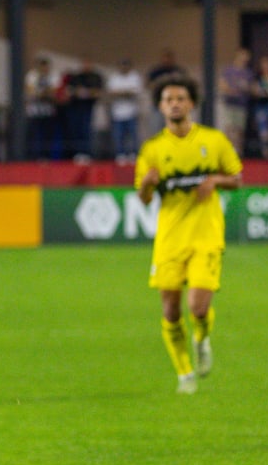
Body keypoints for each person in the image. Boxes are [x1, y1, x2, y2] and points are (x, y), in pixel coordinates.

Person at [135, 77, 242, 394]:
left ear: (191, 103)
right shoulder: (153, 149)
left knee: (197, 306)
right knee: (169, 310)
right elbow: (142, 198)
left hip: (206, 234)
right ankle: (184, 374)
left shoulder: (214, 140)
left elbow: (237, 178)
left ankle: (202, 337)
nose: (175, 104)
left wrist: (216, 181)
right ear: (160, 106)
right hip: (170, 237)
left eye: (181, 98)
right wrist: (147, 183)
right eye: (169, 99)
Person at [64, 57, 104, 161]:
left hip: (90, 107)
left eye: (88, 63)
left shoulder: (95, 77)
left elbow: (97, 92)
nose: (86, 66)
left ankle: (87, 152)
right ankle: (78, 152)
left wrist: (86, 93)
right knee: (77, 130)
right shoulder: (76, 77)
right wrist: (79, 92)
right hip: (76, 108)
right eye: (84, 63)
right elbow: (70, 91)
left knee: (87, 130)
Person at [105, 58, 143, 163]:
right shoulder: (114, 78)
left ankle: (133, 154)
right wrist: (126, 92)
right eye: (122, 65)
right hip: (118, 113)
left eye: (126, 65)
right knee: (118, 136)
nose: (124, 67)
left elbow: (136, 92)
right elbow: (111, 93)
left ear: (129, 66)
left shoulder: (134, 77)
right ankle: (120, 154)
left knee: (133, 135)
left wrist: (121, 92)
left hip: (131, 112)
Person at [217, 48, 254, 156]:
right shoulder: (228, 71)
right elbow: (222, 85)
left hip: (241, 105)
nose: (245, 59)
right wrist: (233, 91)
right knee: (229, 128)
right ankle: (227, 153)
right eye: (243, 56)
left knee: (239, 130)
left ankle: (238, 153)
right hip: (229, 104)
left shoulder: (248, 73)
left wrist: (245, 89)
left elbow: (250, 88)